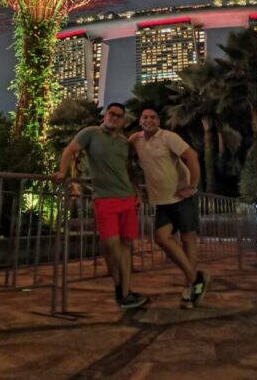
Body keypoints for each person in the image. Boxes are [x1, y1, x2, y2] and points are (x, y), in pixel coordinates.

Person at [53, 102, 149, 310]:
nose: (115, 118)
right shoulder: (91, 133)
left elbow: (129, 170)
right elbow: (70, 150)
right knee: (112, 248)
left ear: (123, 120)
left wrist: (138, 192)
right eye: (112, 114)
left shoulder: (124, 142)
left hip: (127, 198)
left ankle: (125, 293)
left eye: (119, 116)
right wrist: (62, 172)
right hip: (104, 199)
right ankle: (120, 289)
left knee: (126, 248)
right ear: (105, 114)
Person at [129, 106, 210, 309]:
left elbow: (191, 156)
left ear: (159, 121)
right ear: (140, 120)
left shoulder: (169, 137)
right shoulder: (134, 140)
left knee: (187, 239)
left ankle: (188, 288)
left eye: (153, 117)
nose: (149, 120)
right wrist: (136, 190)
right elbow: (126, 163)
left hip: (182, 198)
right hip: (161, 201)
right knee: (161, 237)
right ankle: (195, 277)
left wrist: (192, 185)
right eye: (145, 116)